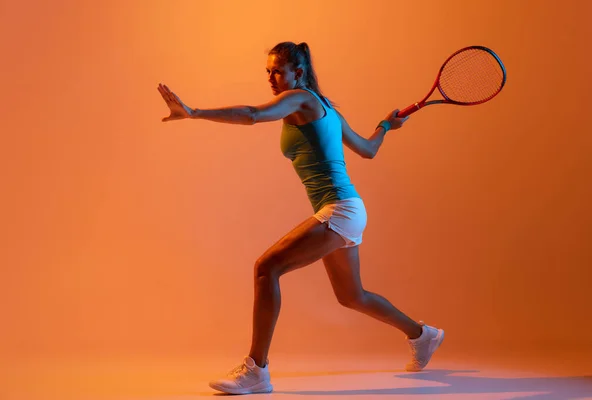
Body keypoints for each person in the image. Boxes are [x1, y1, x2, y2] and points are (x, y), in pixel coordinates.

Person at [157, 41, 444, 395]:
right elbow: (368, 150)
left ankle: (255, 370)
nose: (272, 78)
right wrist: (385, 125)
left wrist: (194, 111)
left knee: (267, 268)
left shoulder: (302, 99)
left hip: (340, 208)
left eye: (279, 70)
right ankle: (422, 335)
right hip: (347, 209)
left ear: (299, 72)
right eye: (268, 71)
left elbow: (251, 114)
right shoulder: (325, 108)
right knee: (352, 296)